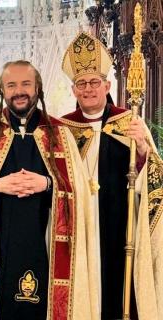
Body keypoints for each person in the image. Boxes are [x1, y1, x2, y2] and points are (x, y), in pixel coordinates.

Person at [0, 60, 98, 319]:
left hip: (45, 248)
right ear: (2, 91)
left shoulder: (60, 134)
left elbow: (80, 193)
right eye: (12, 85)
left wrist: (48, 184)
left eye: (26, 84)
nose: (19, 91)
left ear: (38, 87)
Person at [60, 31, 163, 319]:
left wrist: (143, 150)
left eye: (95, 82)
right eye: (82, 83)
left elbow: (155, 183)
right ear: (74, 90)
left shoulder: (129, 122)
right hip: (77, 226)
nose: (89, 88)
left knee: (118, 293)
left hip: (119, 227)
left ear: (107, 85)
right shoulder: (62, 129)